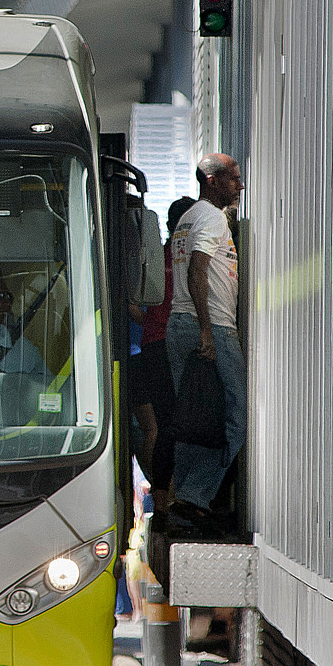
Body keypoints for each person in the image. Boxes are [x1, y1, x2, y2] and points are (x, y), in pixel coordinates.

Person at [166, 154, 247, 526]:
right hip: (210, 326)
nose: (240, 186)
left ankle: (183, 500)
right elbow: (198, 272)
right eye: (233, 179)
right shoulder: (212, 217)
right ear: (211, 180)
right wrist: (206, 331)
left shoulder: (186, 218)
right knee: (235, 416)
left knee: (191, 418)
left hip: (178, 324)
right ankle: (195, 495)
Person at [127, 196, 194, 505]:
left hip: (151, 347)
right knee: (185, 423)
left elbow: (133, 307)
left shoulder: (153, 258)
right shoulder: (194, 259)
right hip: (181, 347)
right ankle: (180, 496)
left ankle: (162, 496)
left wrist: (153, 321)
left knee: (161, 426)